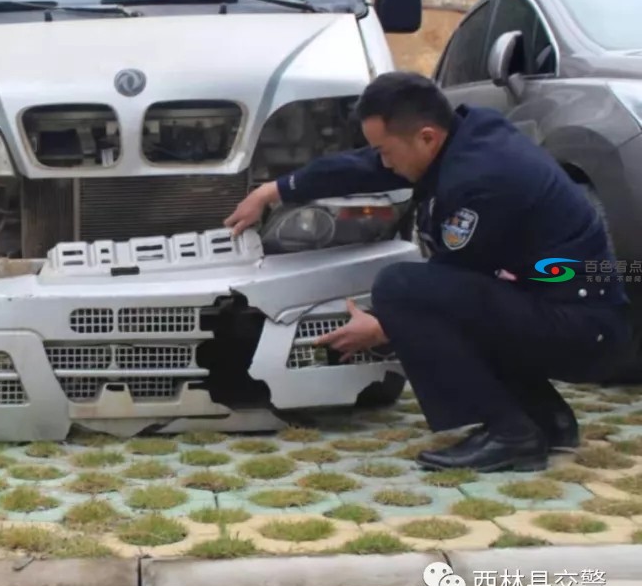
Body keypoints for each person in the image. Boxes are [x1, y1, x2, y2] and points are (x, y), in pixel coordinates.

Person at [224, 71, 633, 473]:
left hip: (584, 331)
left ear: (426, 137)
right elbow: (365, 166)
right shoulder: (466, 135)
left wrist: (384, 326)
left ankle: (511, 435)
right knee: (437, 295)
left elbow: (453, 289)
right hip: (575, 312)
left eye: (386, 150)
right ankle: (546, 419)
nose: (383, 160)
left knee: (403, 289)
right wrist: (274, 190)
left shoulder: (479, 180)